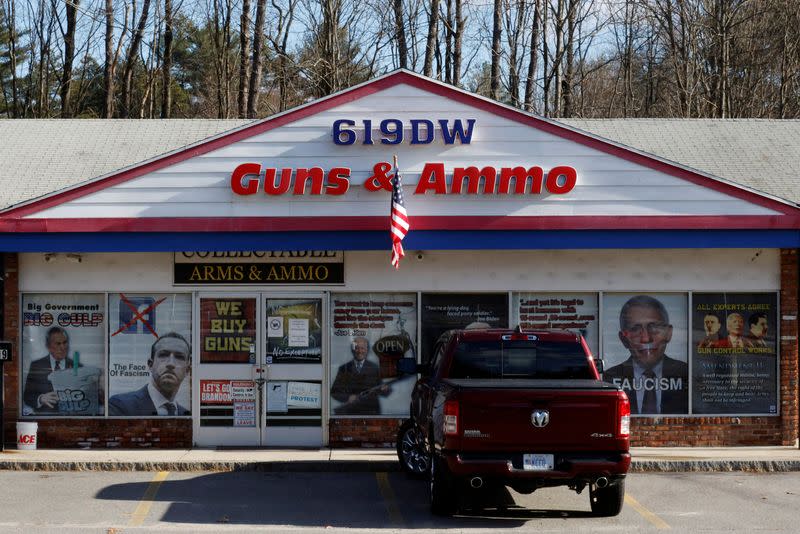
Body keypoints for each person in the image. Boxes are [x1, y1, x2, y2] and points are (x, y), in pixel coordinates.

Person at [603, 295, 689, 415]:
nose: (646, 338)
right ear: (623, 339)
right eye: (635, 329)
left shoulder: (687, 374)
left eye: (654, 327)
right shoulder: (608, 381)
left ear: (669, 333)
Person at [109, 332, 191, 416]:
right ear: (150, 364)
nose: (171, 363)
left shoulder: (186, 414)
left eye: (179, 357)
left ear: (187, 370)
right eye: (163, 355)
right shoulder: (120, 405)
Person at [330, 336, 391, 415]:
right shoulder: (344, 368)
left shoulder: (374, 368)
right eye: (357, 348)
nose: (360, 351)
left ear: (367, 350)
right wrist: (348, 397)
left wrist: (385, 389)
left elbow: (382, 391)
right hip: (351, 413)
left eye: (362, 348)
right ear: (352, 350)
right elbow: (335, 392)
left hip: (371, 413)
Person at [23, 326, 76, 414]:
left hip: (71, 418)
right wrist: (41, 399)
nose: (63, 347)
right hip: (44, 418)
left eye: (65, 342)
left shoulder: (77, 367)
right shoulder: (37, 366)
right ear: (48, 346)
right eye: (58, 343)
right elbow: (27, 396)